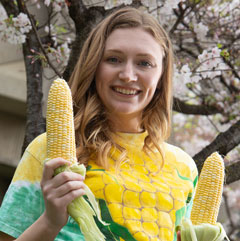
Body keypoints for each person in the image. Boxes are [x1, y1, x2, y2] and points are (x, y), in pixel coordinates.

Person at [0, 6, 198, 241]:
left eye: (144, 63)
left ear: (161, 75)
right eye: (113, 59)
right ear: (94, 66)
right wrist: (50, 221)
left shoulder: (184, 168)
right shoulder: (49, 151)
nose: (127, 75)